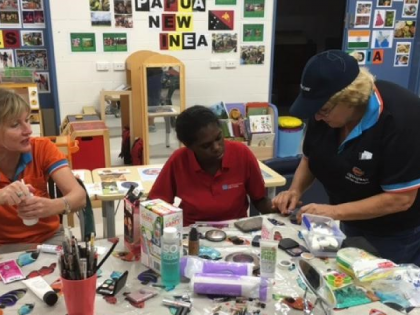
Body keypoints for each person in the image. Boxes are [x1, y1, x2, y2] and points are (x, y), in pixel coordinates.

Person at [272, 50, 420, 265]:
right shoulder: (323, 113)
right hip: (348, 217)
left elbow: (400, 199)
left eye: (323, 110)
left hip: (393, 232)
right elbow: (309, 158)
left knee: (384, 290)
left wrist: (333, 212)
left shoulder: (403, 119)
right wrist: (295, 190)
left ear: (351, 98)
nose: (317, 117)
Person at [148, 105, 274, 226]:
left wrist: (278, 207)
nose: (216, 147)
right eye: (206, 146)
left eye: (219, 138)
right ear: (189, 147)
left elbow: (259, 199)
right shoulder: (179, 160)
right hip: (192, 234)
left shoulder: (241, 153)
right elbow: (156, 205)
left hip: (236, 232)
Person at [0, 88, 86, 253]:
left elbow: (79, 196)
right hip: (5, 247)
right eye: (15, 124)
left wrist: (54, 206)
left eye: (27, 120)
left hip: (49, 239)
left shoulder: (41, 148)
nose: (28, 130)